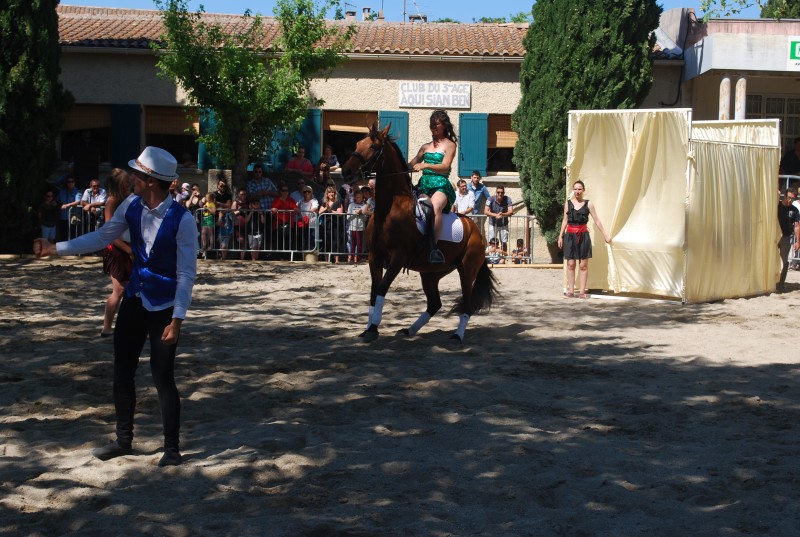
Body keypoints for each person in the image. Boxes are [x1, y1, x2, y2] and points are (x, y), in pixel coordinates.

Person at [33, 146, 197, 467]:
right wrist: (57, 248)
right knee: (122, 372)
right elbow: (100, 237)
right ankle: (124, 440)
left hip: (164, 307)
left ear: (151, 180)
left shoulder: (183, 220)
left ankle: (172, 448)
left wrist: (177, 319)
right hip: (135, 299)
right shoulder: (131, 206)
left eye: (137, 173)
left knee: (162, 377)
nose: (131, 177)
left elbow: (186, 273)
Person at [409, 109, 458, 263]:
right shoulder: (425, 147)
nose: (433, 127)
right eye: (432, 124)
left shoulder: (450, 145)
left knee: (435, 207)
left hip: (441, 185)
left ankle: (434, 249)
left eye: (436, 124)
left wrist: (425, 165)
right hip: (424, 184)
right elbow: (411, 164)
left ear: (444, 125)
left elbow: (445, 166)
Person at [557, 180, 612, 299]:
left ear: (583, 190)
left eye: (579, 189)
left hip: (583, 236)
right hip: (570, 236)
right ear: (573, 190)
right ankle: (571, 290)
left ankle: (582, 291)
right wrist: (560, 235)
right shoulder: (568, 203)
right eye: (575, 189)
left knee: (583, 265)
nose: (577, 191)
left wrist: (605, 235)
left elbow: (597, 220)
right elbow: (565, 220)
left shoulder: (589, 204)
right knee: (571, 264)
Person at [101, 168, 134, 337]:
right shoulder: (112, 201)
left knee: (130, 289)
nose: (129, 185)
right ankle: (107, 327)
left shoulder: (128, 200)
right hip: (117, 249)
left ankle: (126, 325)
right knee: (119, 290)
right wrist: (128, 250)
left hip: (128, 246)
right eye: (125, 183)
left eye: (129, 182)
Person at [777, 187, 800, 292]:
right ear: (784, 195)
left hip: (786, 237)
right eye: (789, 197)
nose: (790, 200)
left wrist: (798, 241)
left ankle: (780, 285)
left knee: (784, 260)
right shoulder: (776, 206)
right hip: (774, 235)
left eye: (793, 198)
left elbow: (796, 226)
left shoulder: (794, 210)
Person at [318, 185, 344, 263]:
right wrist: (327, 208)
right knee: (326, 242)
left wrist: (331, 211)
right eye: (329, 192)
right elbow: (319, 212)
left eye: (332, 192)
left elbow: (340, 213)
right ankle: (327, 260)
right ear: (327, 194)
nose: (331, 194)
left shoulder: (338, 202)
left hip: (335, 224)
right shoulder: (324, 202)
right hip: (326, 225)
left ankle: (336, 260)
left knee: (336, 242)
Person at [485, 185, 513, 253]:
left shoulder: (507, 199)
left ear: (504, 193)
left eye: (502, 192)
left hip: (504, 224)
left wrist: (503, 214)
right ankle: (491, 258)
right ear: (496, 192)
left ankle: (504, 258)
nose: (500, 194)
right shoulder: (490, 199)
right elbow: (485, 211)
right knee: (491, 242)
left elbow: (511, 211)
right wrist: (495, 215)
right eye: (498, 192)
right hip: (492, 224)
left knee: (504, 242)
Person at [272, 185, 300, 252]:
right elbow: (273, 211)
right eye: (283, 190)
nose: (285, 192)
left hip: (289, 225)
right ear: (280, 192)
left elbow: (296, 209)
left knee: (288, 242)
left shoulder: (291, 200)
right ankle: (279, 257)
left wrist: (296, 209)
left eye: (286, 190)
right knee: (279, 242)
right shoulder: (276, 200)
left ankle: (287, 257)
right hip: (278, 225)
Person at [56, 176, 82, 241]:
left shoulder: (77, 192)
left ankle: (73, 250)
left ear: (74, 183)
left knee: (73, 236)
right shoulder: (62, 192)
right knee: (63, 235)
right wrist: (54, 202)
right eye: (68, 182)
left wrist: (67, 205)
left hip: (73, 217)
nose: (70, 183)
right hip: (63, 217)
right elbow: (57, 200)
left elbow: (78, 202)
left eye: (72, 181)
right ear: (66, 183)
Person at [347, 189, 368, 263]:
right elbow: (348, 217)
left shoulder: (364, 205)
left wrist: (361, 213)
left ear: (362, 198)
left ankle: (358, 258)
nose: (358, 199)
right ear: (354, 197)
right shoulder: (351, 205)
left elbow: (365, 219)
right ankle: (352, 258)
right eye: (357, 197)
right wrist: (355, 214)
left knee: (359, 244)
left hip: (360, 227)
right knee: (353, 243)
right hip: (353, 227)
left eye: (360, 197)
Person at [297, 185, 319, 251]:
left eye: (308, 191)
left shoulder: (314, 200)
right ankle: (303, 254)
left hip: (311, 222)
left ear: (311, 192)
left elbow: (315, 207)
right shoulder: (300, 201)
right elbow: (296, 207)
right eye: (305, 191)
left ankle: (311, 253)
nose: (307, 193)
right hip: (302, 222)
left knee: (311, 238)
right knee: (303, 238)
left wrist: (313, 209)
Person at [199, 192, 216, 259]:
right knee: (203, 232)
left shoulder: (212, 204)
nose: (206, 198)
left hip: (210, 218)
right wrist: (204, 208)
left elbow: (214, 212)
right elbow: (204, 209)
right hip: (205, 218)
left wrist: (208, 208)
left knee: (210, 233)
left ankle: (211, 245)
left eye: (207, 197)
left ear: (210, 198)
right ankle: (204, 244)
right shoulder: (206, 203)